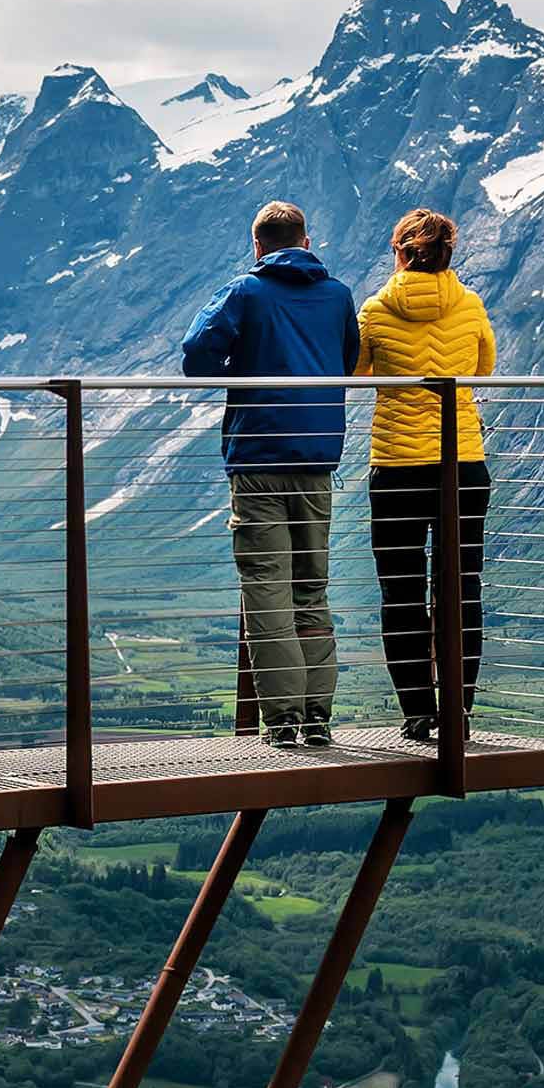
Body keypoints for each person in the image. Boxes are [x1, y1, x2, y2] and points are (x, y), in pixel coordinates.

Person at [182, 199, 356, 748]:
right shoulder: (338, 295)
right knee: (312, 587)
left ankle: (281, 720)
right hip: (317, 458)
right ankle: (318, 716)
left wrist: (244, 366)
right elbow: (345, 361)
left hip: (258, 457)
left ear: (257, 245)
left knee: (266, 586)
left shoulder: (245, 291)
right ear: (306, 242)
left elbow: (195, 355)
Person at [356, 205, 497, 744]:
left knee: (402, 590)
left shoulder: (374, 310)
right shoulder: (471, 306)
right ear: (449, 254)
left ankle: (417, 712)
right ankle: (458, 712)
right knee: (461, 587)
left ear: (399, 253)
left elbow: (357, 373)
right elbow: (482, 370)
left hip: (396, 465)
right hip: (462, 461)